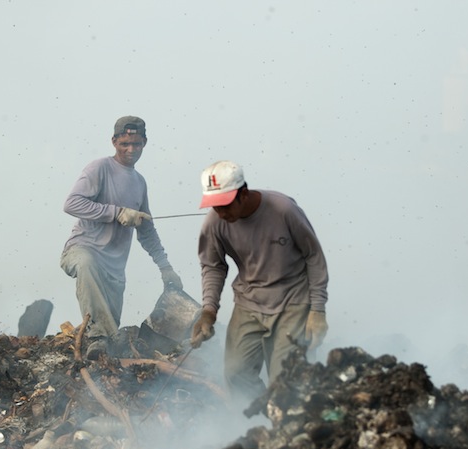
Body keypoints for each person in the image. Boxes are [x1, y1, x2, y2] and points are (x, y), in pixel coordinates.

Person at [190, 160, 329, 404]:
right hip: (249, 303)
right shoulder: (215, 223)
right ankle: (261, 423)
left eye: (224, 205)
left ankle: (290, 425)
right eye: (214, 206)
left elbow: (314, 256)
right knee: (236, 374)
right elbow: (213, 267)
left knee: (287, 379)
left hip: (293, 302)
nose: (220, 213)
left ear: (243, 193)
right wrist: (208, 312)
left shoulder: (284, 210)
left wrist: (317, 310)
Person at [61, 116, 183, 359]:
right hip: (82, 249)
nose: (130, 150)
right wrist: (116, 213)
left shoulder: (139, 183)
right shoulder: (99, 168)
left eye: (136, 144)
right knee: (100, 329)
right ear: (114, 141)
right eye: (124, 143)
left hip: (114, 270)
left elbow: (147, 230)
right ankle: (96, 337)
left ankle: (97, 367)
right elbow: (71, 204)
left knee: (111, 338)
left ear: (144, 143)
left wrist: (165, 268)